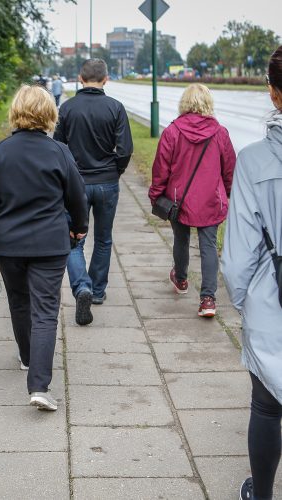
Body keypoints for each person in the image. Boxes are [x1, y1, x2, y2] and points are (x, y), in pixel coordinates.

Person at [0, 85, 88, 411]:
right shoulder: (59, 152)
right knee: (46, 311)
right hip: (51, 243)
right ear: (49, 114)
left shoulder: (0, 153)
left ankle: (26, 356)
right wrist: (80, 227)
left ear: (16, 112)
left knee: (19, 303)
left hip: (9, 245)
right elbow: (78, 197)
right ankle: (39, 385)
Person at [221, 46, 282, 500]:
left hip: (272, 300)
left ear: (273, 94)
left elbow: (238, 255)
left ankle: (260, 494)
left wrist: (245, 303)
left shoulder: (256, 161)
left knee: (266, 404)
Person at [54, 58, 133, 325]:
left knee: (73, 238)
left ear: (80, 78)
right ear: (106, 79)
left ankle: (82, 286)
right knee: (103, 238)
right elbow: (125, 150)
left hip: (76, 182)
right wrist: (115, 171)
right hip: (107, 181)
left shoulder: (67, 109)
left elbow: (58, 148)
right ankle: (97, 291)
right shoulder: (115, 108)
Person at [148, 83, 235, 317]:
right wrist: (228, 192)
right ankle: (208, 299)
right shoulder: (220, 133)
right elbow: (229, 170)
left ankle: (181, 278)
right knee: (208, 246)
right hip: (210, 200)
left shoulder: (172, 131)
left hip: (179, 200)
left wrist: (156, 195)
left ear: (184, 103)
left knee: (181, 240)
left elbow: (161, 169)